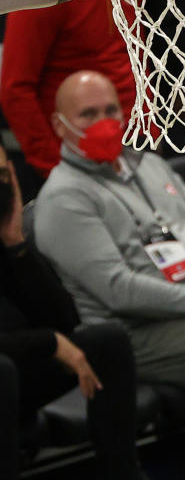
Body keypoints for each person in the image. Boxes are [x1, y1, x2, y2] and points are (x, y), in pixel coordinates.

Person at [32, 70, 185, 400]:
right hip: (150, 330)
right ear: (60, 125)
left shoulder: (150, 164)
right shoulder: (64, 199)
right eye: (88, 115)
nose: (103, 122)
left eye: (110, 111)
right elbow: (120, 291)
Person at [0, 143, 141, 480]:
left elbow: (65, 323)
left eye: (3, 175)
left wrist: (16, 244)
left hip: (16, 373)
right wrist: (49, 343)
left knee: (106, 341)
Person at [0, 0, 136, 184]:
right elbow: (16, 90)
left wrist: (151, 130)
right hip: (74, 158)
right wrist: (54, 167)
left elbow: (132, 55)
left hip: (135, 142)